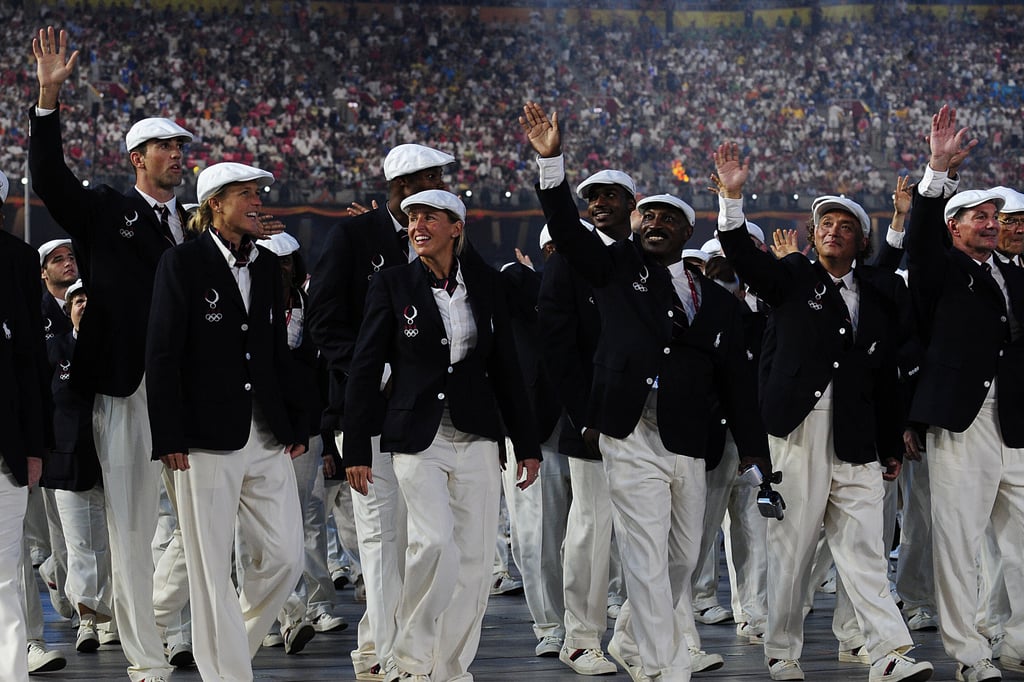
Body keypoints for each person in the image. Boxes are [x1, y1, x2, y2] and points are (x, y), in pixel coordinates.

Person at [524, 102, 768, 682]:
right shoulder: (615, 272)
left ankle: (634, 636)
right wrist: (551, 162)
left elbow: (734, 378)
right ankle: (661, 667)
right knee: (638, 547)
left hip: (687, 436)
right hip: (626, 429)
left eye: (666, 217)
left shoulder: (714, 302)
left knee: (683, 555)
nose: (654, 223)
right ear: (635, 225)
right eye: (648, 215)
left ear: (688, 232)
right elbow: (566, 229)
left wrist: (755, 450)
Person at [29, 26, 210, 682]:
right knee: (132, 531)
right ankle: (146, 655)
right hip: (124, 390)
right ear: (137, 157)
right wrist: (48, 99)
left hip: (184, 393)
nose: (175, 153)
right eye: (163, 145)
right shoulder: (107, 211)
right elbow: (48, 175)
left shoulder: (193, 230)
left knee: (199, 532)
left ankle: (154, 618)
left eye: (180, 145)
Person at [714, 141, 933, 682]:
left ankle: (886, 652)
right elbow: (742, 257)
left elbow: (884, 375)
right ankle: (782, 651)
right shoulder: (791, 277)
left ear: (860, 240)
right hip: (798, 431)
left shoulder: (876, 291)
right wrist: (732, 197)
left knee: (865, 550)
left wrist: (889, 445)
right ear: (813, 237)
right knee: (792, 550)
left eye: (844, 225)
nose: (832, 230)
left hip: (857, 436)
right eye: (824, 223)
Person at [342, 189, 541, 682]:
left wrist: (526, 445)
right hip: (415, 435)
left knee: (474, 560)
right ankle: (410, 661)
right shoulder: (391, 284)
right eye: (412, 218)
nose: (417, 225)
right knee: (432, 544)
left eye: (429, 216)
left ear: (456, 227)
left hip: (476, 435)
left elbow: (506, 367)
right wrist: (356, 447)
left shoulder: (487, 285)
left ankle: (450, 667)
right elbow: (364, 366)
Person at [146, 162, 307, 682]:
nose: (257, 202)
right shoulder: (182, 263)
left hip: (264, 433)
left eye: (258, 193)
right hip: (202, 438)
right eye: (246, 195)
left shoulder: (264, 266)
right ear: (216, 203)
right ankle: (229, 674)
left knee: (287, 558)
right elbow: (162, 354)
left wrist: (295, 423)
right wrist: (168, 433)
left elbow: (274, 351)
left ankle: (229, 641)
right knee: (210, 568)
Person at [307, 142, 453, 681]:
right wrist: (380, 373)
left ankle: (388, 649)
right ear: (402, 186)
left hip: (429, 415)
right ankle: (386, 654)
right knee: (380, 536)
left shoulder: (444, 238)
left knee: (425, 538)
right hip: (369, 410)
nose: (439, 185)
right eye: (430, 178)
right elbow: (323, 321)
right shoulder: (353, 236)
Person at [903, 105, 1024, 682]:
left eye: (994, 215)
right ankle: (969, 654)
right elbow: (919, 243)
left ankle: (1017, 641)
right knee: (958, 543)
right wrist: (936, 171)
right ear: (953, 226)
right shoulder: (940, 269)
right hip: (963, 421)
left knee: (1021, 543)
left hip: (1017, 420)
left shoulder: (1013, 273)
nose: (990, 222)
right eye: (977, 215)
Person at [533, 149, 634, 675]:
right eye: (590, 196)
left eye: (608, 196)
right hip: (593, 421)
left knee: (647, 535)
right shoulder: (568, 262)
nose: (597, 203)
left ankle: (634, 636)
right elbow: (557, 348)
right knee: (591, 531)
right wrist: (585, 417)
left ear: (630, 205)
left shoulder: (643, 259)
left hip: (645, 425)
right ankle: (579, 638)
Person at [0, 168, 52, 682]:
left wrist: (35, 445)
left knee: (2, 579)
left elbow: (31, 362)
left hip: (6, 449)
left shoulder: (16, 263)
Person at [42, 279, 114, 654]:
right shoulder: (54, 350)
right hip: (69, 460)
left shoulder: (117, 352)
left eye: (90, 298)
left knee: (116, 543)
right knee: (81, 545)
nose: (84, 305)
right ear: (68, 309)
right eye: (77, 300)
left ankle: (113, 617)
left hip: (114, 458)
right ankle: (87, 619)